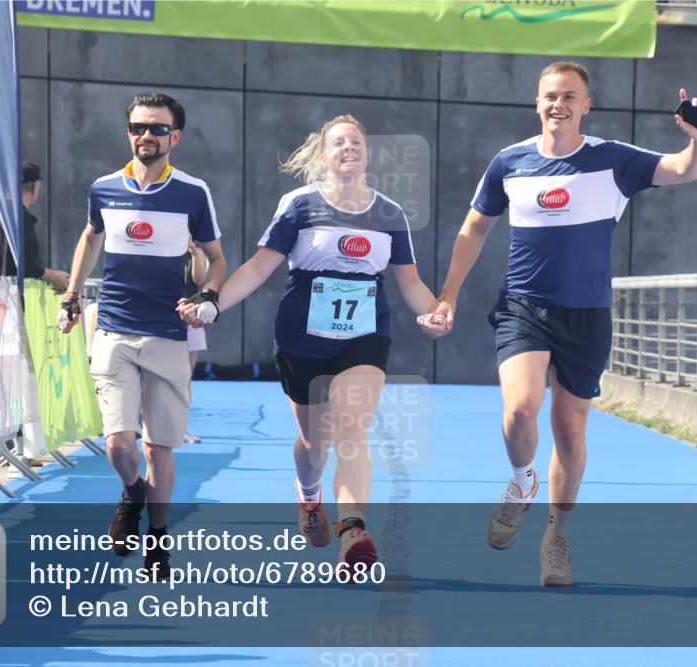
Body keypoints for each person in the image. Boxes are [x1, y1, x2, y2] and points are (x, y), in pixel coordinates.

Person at [431, 62, 697, 587]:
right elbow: (474, 228)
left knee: (568, 427)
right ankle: (521, 484)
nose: (557, 104)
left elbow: (686, 169)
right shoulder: (508, 162)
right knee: (520, 411)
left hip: (586, 316)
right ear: (536, 104)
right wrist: (448, 295)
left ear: (587, 105)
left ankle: (556, 537)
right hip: (523, 307)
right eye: (548, 96)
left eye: (569, 96)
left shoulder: (612, 161)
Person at [180, 115, 446, 569]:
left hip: (364, 336)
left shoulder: (390, 213)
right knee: (314, 442)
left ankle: (354, 532)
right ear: (324, 156)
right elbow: (259, 267)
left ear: (367, 153)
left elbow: (410, 281)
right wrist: (214, 304)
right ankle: (308, 496)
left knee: (350, 429)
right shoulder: (299, 204)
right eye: (338, 143)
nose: (349, 148)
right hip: (301, 338)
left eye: (357, 142)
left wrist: (433, 310)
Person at [58, 92, 227, 576]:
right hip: (112, 329)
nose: (145, 136)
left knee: (158, 447)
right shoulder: (104, 188)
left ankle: (157, 538)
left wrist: (209, 298)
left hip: (170, 335)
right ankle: (133, 494)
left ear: (175, 136)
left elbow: (217, 260)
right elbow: (91, 237)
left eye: (156, 128)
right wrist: (71, 296)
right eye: (137, 127)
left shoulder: (193, 193)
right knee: (118, 445)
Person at [0, 161, 69, 291]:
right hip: (14, 300)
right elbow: (27, 265)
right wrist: (54, 277)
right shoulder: (19, 216)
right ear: (34, 187)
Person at [182, 238, 208, 444]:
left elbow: (200, 279)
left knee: (184, 377)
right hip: (160, 316)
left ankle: (180, 426)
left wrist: (194, 251)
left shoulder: (196, 251)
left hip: (189, 316)